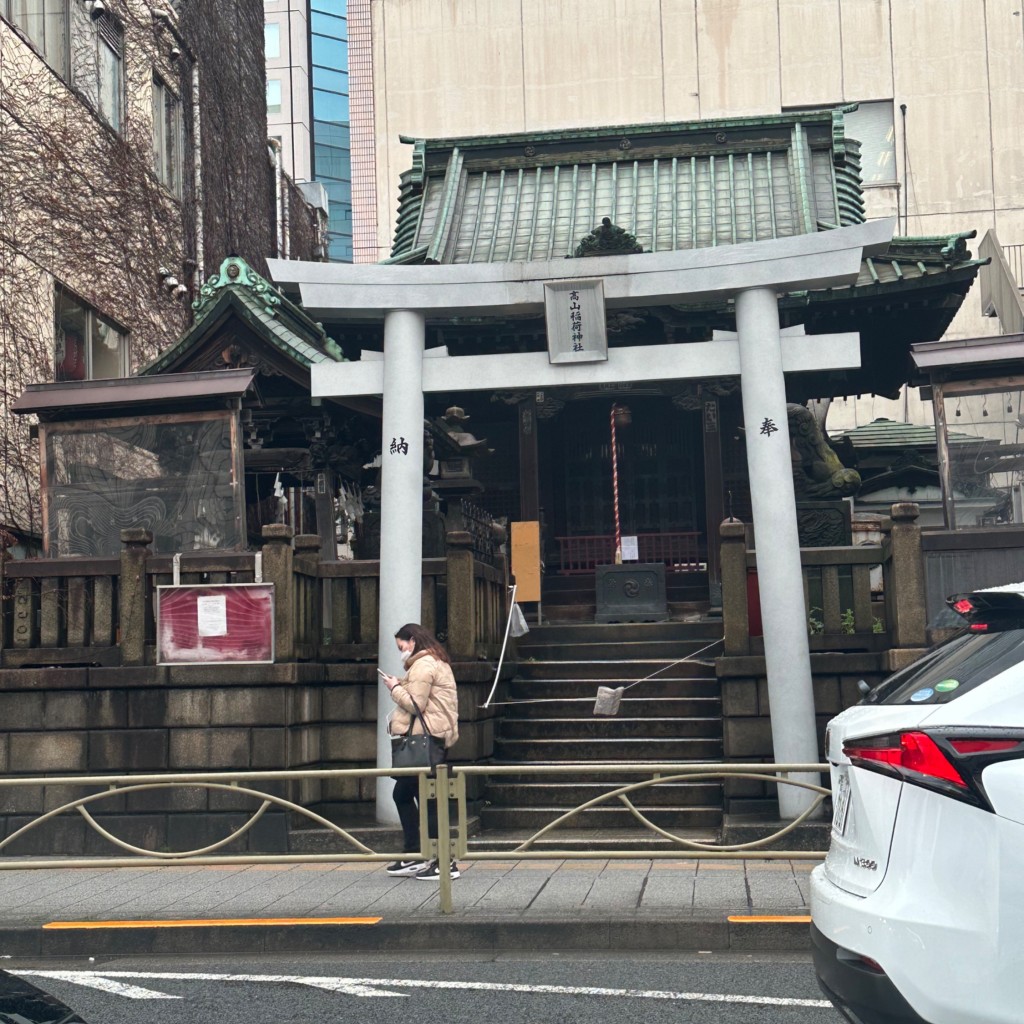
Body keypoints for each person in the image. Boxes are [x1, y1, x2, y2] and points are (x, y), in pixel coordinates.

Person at [380, 623, 460, 881]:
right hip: (430, 740)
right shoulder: (432, 662)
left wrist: (394, 687)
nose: (400, 650)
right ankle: (416, 852)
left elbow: (416, 703)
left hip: (425, 741)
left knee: (428, 799)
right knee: (406, 794)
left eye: (401, 645)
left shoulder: (424, 665)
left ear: (412, 640)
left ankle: (443, 861)